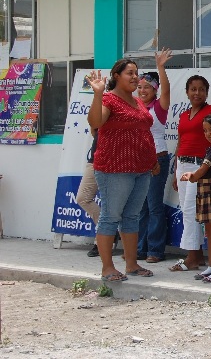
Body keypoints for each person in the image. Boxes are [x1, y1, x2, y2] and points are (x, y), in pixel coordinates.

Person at [86, 60, 158, 282]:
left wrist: (152, 160)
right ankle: (107, 268)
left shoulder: (137, 101)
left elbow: (144, 132)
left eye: (136, 73)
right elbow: (95, 122)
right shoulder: (108, 99)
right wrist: (98, 94)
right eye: (130, 73)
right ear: (116, 76)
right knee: (110, 217)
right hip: (114, 169)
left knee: (131, 217)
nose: (135, 77)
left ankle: (131, 265)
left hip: (141, 169)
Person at [169, 75, 211, 272]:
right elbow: (180, 141)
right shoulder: (183, 115)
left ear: (207, 92)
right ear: (187, 92)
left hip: (200, 166)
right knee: (187, 211)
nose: (197, 93)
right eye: (193, 89)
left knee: (191, 211)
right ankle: (195, 255)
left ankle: (192, 257)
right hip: (182, 164)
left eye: (201, 89)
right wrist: (175, 171)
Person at [180, 111, 211, 283]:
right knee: (209, 231)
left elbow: (202, 170)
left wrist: (191, 176)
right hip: (205, 189)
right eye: (205, 130)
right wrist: (193, 176)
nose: (208, 133)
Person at [136, 48, 173, 263]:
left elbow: (166, 91)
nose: (142, 90)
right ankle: (140, 248)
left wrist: (160, 66)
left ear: (155, 90)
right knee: (140, 207)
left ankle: (155, 250)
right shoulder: (134, 107)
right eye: (139, 87)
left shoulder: (159, 108)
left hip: (157, 159)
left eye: (147, 87)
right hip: (138, 162)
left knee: (154, 206)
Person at [76, 128, 104, 258]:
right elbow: (93, 128)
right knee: (83, 198)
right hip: (94, 160)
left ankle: (101, 242)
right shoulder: (100, 109)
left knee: (111, 204)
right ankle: (106, 231)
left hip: (113, 162)